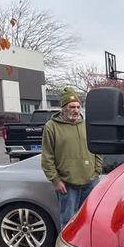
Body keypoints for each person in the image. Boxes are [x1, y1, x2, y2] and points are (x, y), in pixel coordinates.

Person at [40, 88, 102, 226]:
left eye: (78, 107)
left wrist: (96, 171)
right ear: (63, 108)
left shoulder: (87, 125)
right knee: (68, 222)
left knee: (88, 219)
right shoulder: (51, 127)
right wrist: (55, 180)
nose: (75, 110)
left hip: (90, 181)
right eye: (71, 107)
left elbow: (97, 148)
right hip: (67, 185)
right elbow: (47, 156)